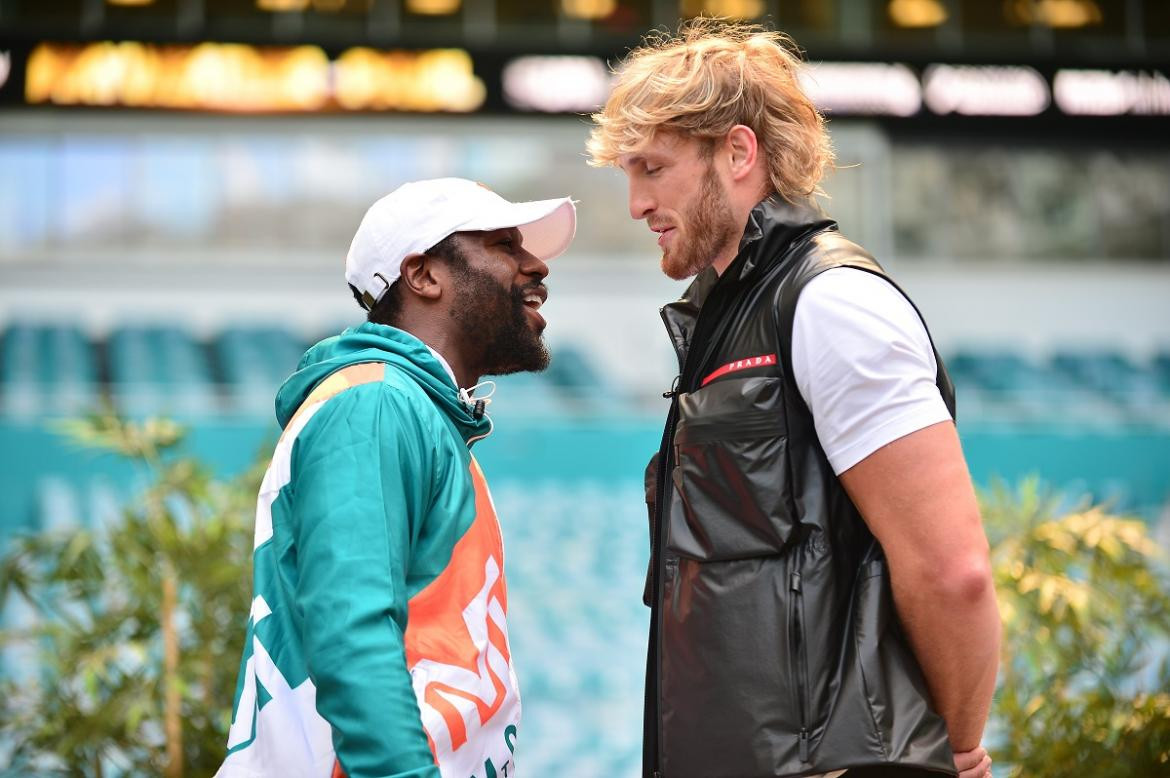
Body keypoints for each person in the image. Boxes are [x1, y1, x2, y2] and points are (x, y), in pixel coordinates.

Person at [587, 21, 1000, 778]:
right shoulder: (729, 315)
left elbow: (953, 572)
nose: (636, 202)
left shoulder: (833, 305)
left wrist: (956, 748)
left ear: (738, 153)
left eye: (652, 168)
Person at [215, 178, 576, 778]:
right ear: (424, 276)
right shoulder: (374, 404)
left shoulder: (417, 414)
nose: (535, 264)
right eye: (503, 244)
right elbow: (352, 634)